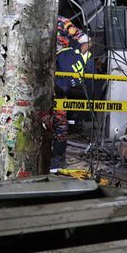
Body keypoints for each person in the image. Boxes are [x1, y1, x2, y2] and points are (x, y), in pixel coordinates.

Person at [44, 16, 92, 170]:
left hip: (59, 83)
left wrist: (76, 56)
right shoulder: (31, 18)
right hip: (38, 81)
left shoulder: (63, 23)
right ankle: (41, 159)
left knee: (60, 120)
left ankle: (58, 160)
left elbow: (87, 40)